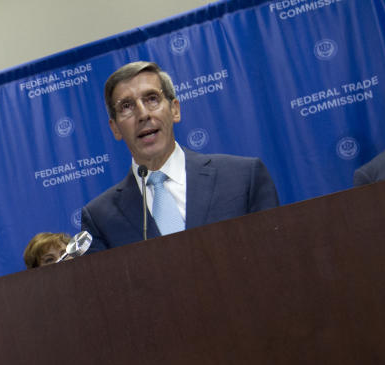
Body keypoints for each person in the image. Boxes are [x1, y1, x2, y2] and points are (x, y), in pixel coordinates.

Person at [81, 61, 279, 252]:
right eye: (126, 106)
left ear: (174, 109)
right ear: (115, 128)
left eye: (151, 99)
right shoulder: (100, 218)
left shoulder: (243, 178)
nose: (143, 114)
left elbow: (277, 258)